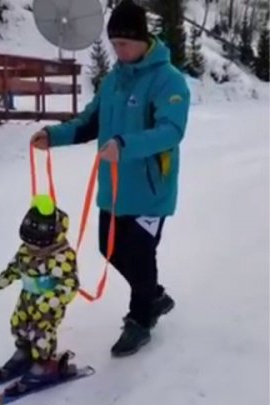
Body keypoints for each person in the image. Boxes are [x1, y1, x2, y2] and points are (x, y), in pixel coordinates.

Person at [30, 0, 191, 357]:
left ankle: (140, 319)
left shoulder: (168, 80)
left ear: (143, 39)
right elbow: (89, 122)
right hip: (114, 189)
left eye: (125, 43)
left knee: (140, 254)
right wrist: (53, 136)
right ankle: (154, 296)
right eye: (114, 43)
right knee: (110, 248)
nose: (119, 50)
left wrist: (125, 144)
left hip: (150, 191)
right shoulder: (113, 80)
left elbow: (171, 131)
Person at [0, 195, 81, 391]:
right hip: (27, 299)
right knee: (19, 323)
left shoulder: (61, 256)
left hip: (48, 305)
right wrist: (6, 277)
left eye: (35, 243)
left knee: (41, 332)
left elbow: (71, 282)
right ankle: (24, 352)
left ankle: (44, 365)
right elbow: (17, 265)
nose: (30, 247)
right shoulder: (26, 250)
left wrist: (53, 299)